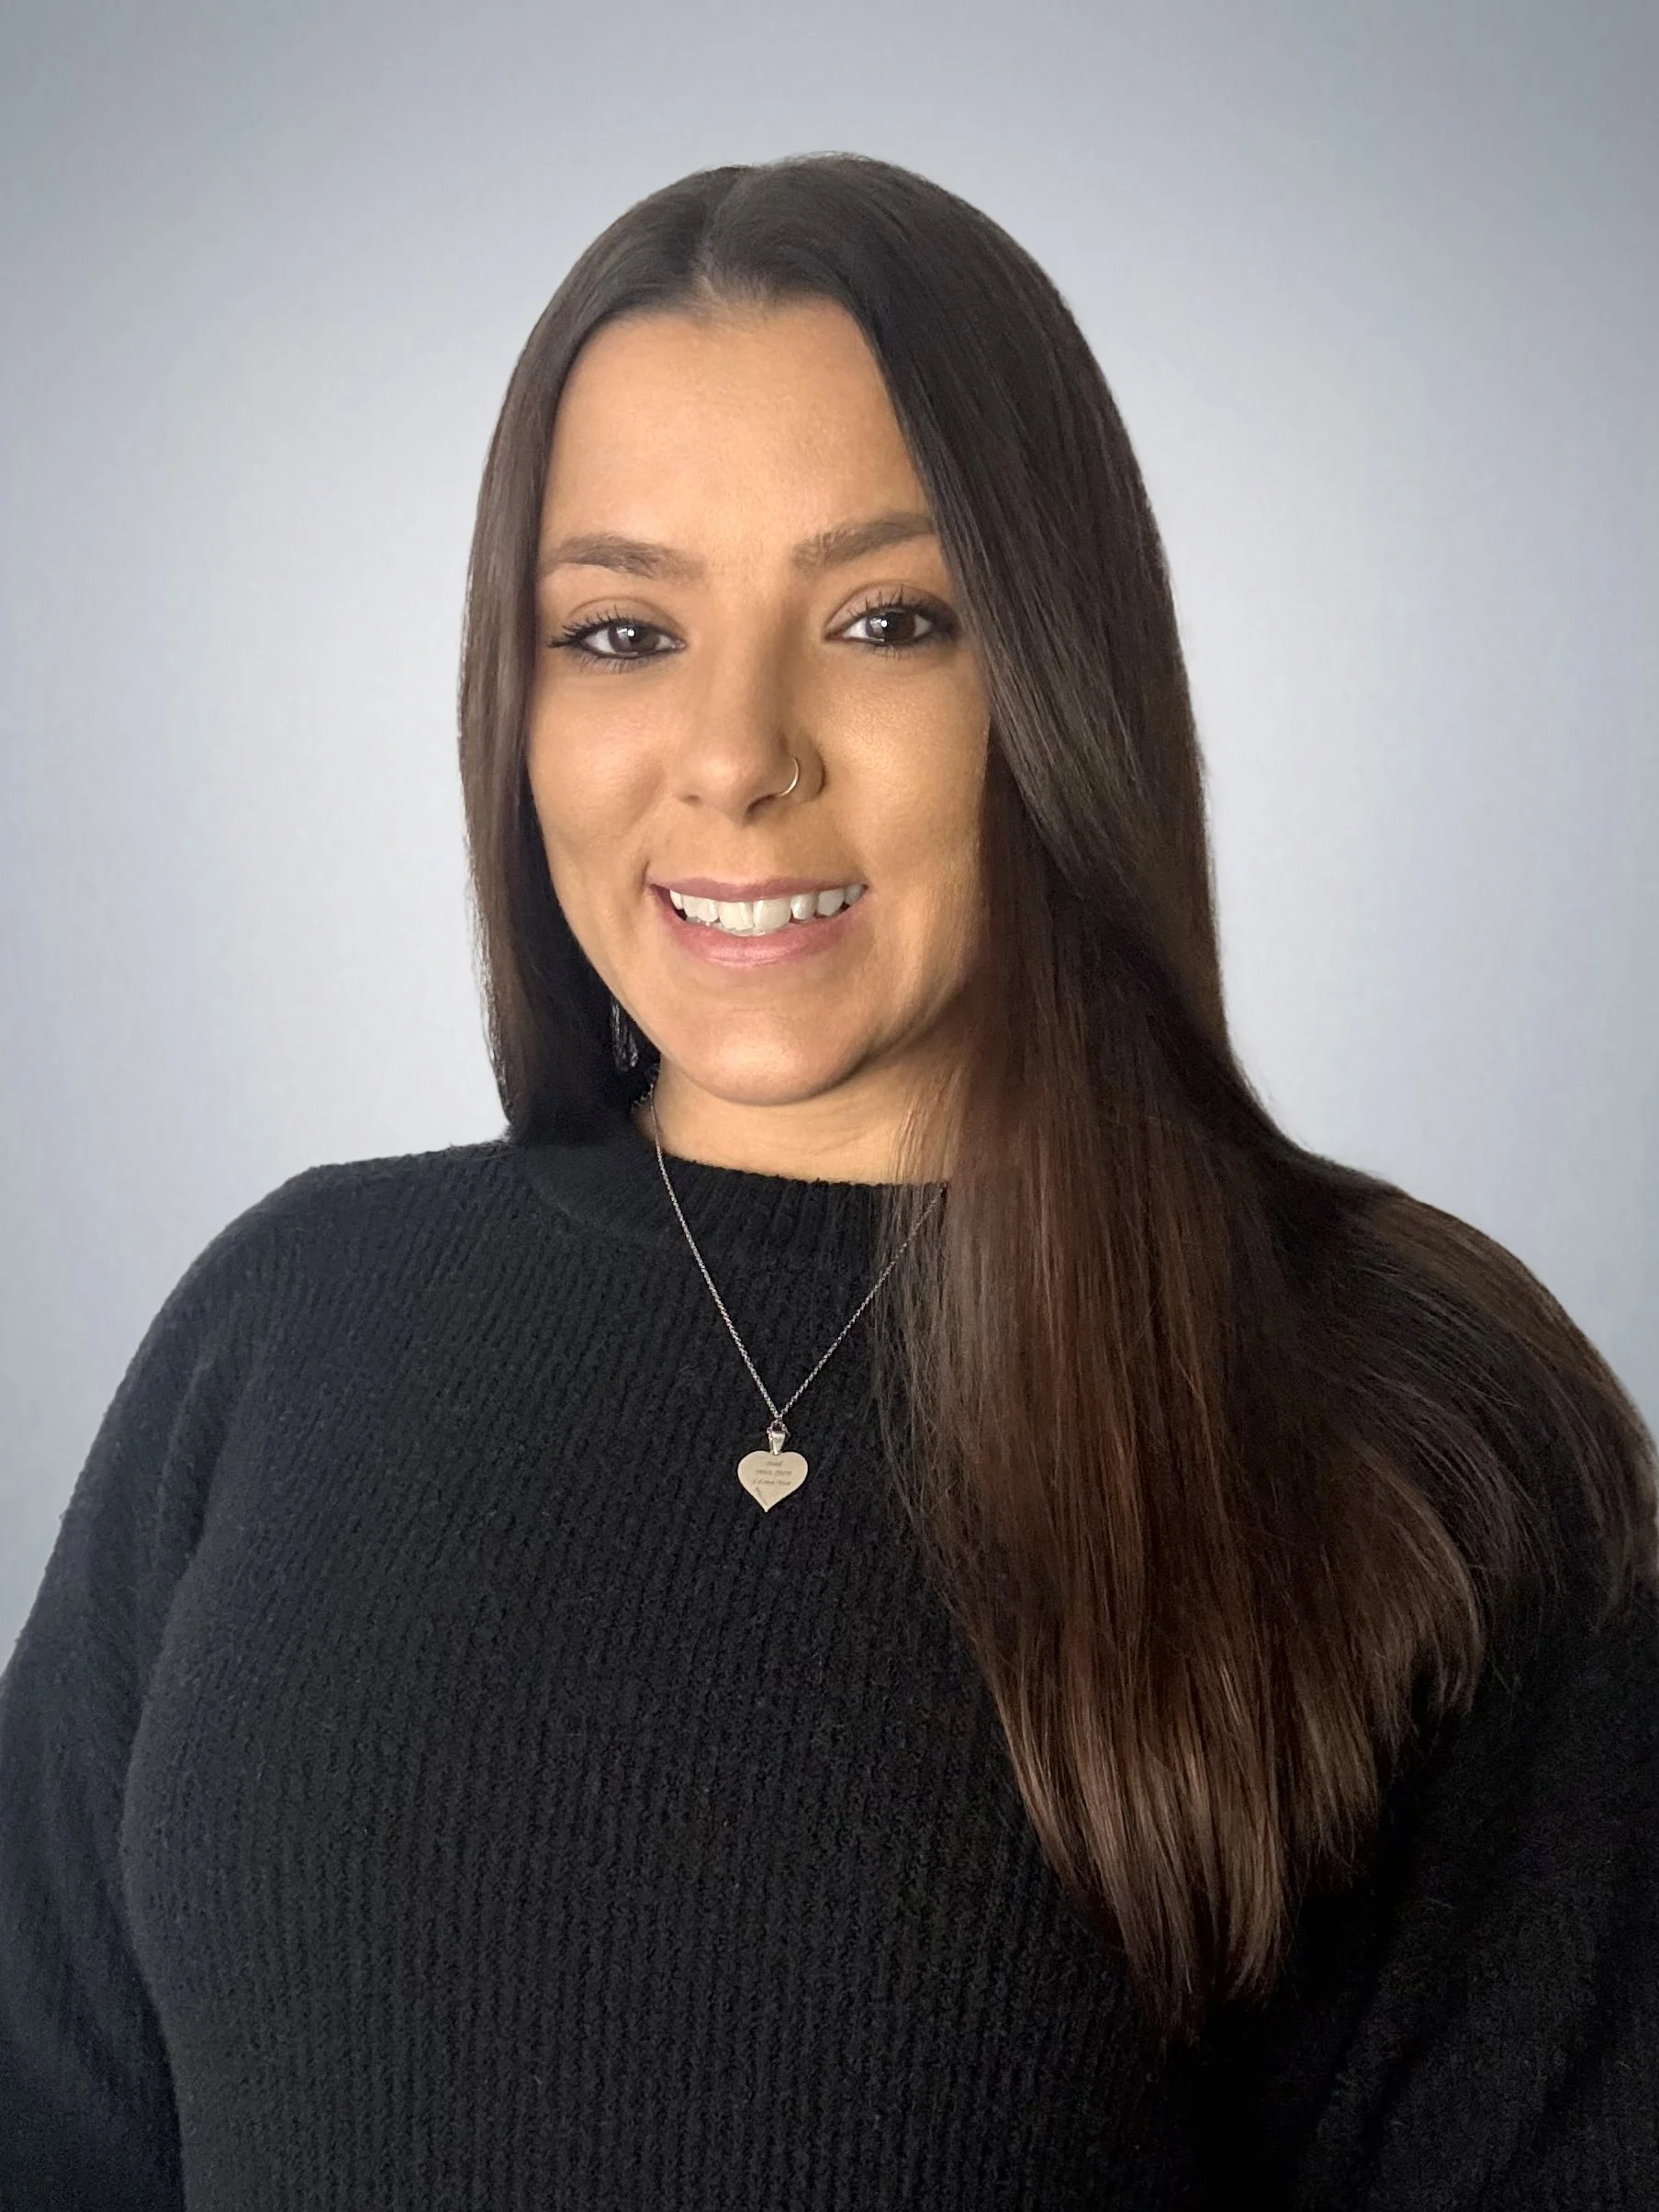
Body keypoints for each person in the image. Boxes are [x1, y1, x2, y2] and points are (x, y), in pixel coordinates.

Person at [1, 151, 1653, 2212]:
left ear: (1051, 672)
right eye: (621, 630)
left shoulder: (1413, 1409)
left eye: (885, 620)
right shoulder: (283, 1328)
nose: (734, 753)